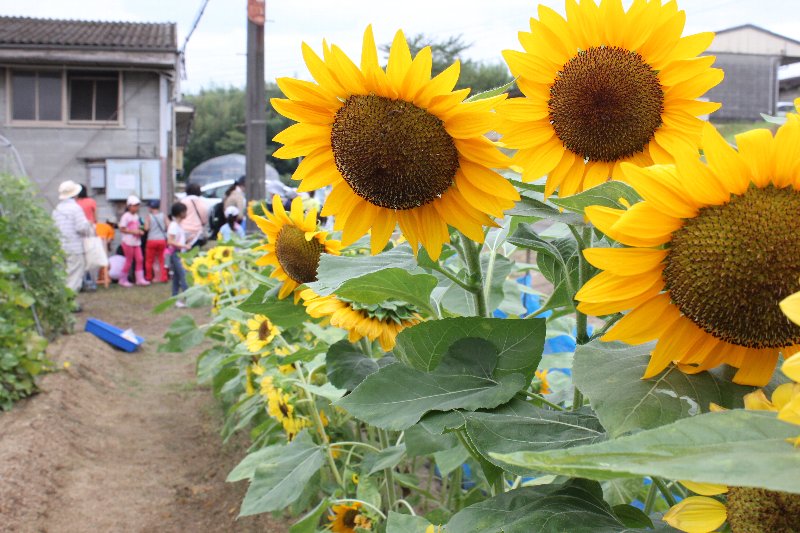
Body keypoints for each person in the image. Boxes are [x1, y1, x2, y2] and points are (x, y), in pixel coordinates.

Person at [52, 180, 93, 299]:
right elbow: (81, 227)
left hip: (60, 246)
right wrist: (88, 224)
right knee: (74, 274)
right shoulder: (75, 208)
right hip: (74, 247)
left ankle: (62, 299)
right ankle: (69, 301)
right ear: (75, 194)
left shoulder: (57, 209)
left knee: (63, 274)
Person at [118, 195, 150, 287]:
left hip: (136, 241)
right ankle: (122, 279)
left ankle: (140, 279)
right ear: (129, 206)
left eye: (137, 205)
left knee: (140, 259)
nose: (136, 208)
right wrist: (134, 231)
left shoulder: (136, 216)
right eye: (134, 205)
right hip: (128, 242)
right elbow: (122, 229)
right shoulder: (125, 216)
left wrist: (140, 231)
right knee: (129, 260)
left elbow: (139, 226)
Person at [167, 202, 190, 307]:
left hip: (179, 253)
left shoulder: (178, 225)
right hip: (176, 253)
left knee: (176, 277)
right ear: (180, 213)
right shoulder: (174, 226)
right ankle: (189, 298)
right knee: (183, 275)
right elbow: (170, 241)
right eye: (185, 211)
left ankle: (175, 298)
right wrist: (183, 246)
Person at [143, 199, 168, 282]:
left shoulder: (148, 216)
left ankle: (149, 277)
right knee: (162, 259)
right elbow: (168, 225)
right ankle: (163, 277)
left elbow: (146, 228)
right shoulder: (163, 215)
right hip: (162, 240)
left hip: (151, 240)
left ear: (150, 207)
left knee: (149, 260)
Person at [180, 182, 209, 249]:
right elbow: (204, 220)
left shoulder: (182, 202)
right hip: (197, 233)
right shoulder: (203, 203)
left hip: (183, 231)